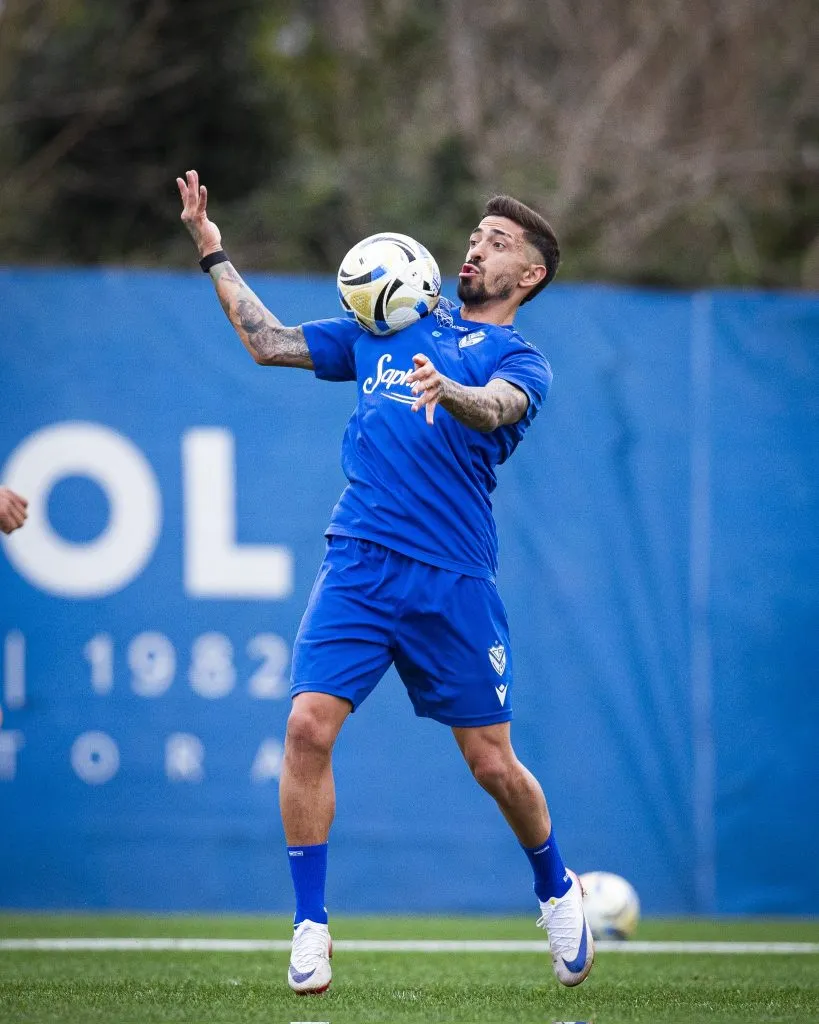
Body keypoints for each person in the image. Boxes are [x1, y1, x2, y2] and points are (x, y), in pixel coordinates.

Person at [177, 169, 594, 994]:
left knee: (491, 764)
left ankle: (553, 886)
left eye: (498, 243)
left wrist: (457, 391)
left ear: (531, 276)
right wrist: (212, 252)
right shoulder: (391, 318)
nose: (477, 248)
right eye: (476, 236)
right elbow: (269, 344)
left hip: (453, 579)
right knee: (305, 729)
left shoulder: (518, 356)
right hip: (360, 561)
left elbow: (501, 407)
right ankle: (308, 925)